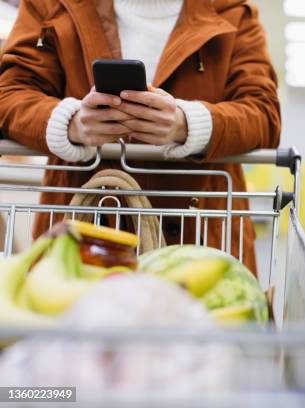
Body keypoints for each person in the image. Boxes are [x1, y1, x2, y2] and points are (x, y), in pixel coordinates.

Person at [0, 0, 282, 274]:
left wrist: (186, 124)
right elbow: (9, 94)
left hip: (201, 246)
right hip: (80, 242)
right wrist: (73, 124)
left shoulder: (233, 10)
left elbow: (264, 113)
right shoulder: (50, 4)